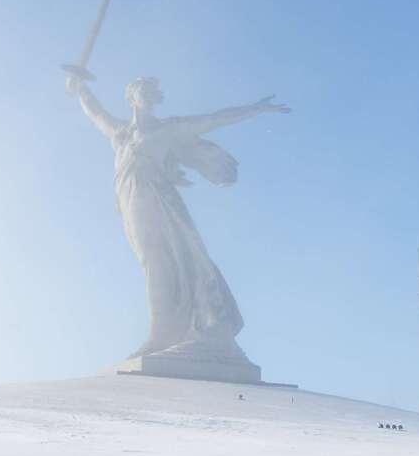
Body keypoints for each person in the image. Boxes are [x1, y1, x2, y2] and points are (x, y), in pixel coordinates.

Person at [67, 73, 289, 356]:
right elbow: (95, 112)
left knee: (165, 258)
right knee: (152, 260)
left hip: (158, 197)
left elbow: (215, 119)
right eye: (144, 90)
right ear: (131, 96)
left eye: (153, 92)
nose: (150, 96)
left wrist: (255, 109)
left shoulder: (168, 129)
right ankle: (167, 330)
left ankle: (161, 333)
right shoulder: (120, 133)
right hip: (130, 199)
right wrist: (79, 87)